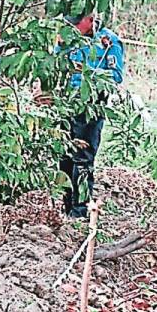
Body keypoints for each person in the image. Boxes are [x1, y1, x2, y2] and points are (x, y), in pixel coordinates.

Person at [57, 12, 125, 218]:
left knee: (83, 160)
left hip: (92, 106)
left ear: (89, 20)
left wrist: (87, 75)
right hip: (66, 103)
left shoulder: (108, 41)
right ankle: (66, 206)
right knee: (65, 157)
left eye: (78, 24)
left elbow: (116, 76)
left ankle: (80, 211)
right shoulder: (68, 38)